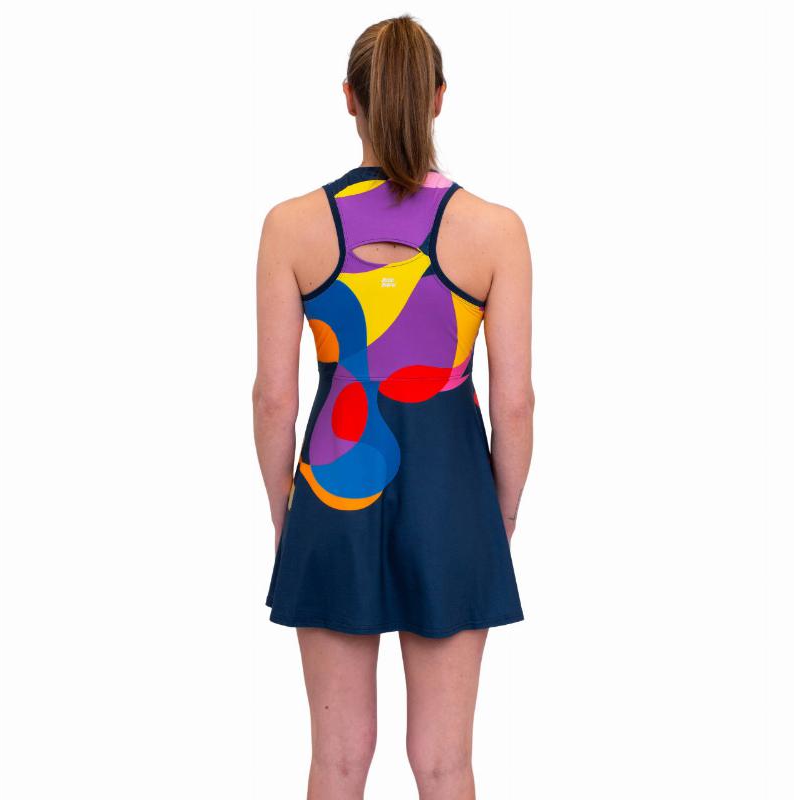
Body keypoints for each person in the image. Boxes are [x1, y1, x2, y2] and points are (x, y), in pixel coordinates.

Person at [253, 14, 534, 800]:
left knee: (338, 762)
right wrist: (500, 515)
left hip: (335, 488)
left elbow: (274, 398)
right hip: (454, 498)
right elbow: (515, 404)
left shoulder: (291, 227)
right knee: (444, 764)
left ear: (350, 98)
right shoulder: (495, 232)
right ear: (438, 97)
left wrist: (286, 515)